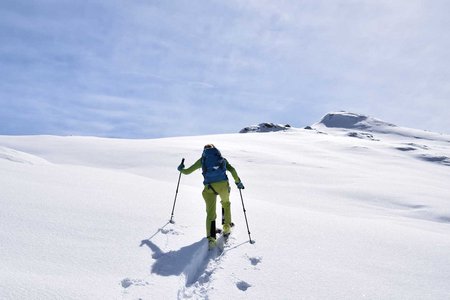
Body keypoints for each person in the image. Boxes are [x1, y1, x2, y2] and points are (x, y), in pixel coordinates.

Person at [177, 144, 245, 249]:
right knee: (225, 204)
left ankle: (211, 239)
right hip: (223, 186)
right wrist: (238, 182)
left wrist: (181, 169)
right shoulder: (222, 159)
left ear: (204, 151)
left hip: (209, 188)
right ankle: (226, 227)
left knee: (210, 213)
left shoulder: (202, 160)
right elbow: (232, 170)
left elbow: (187, 172)